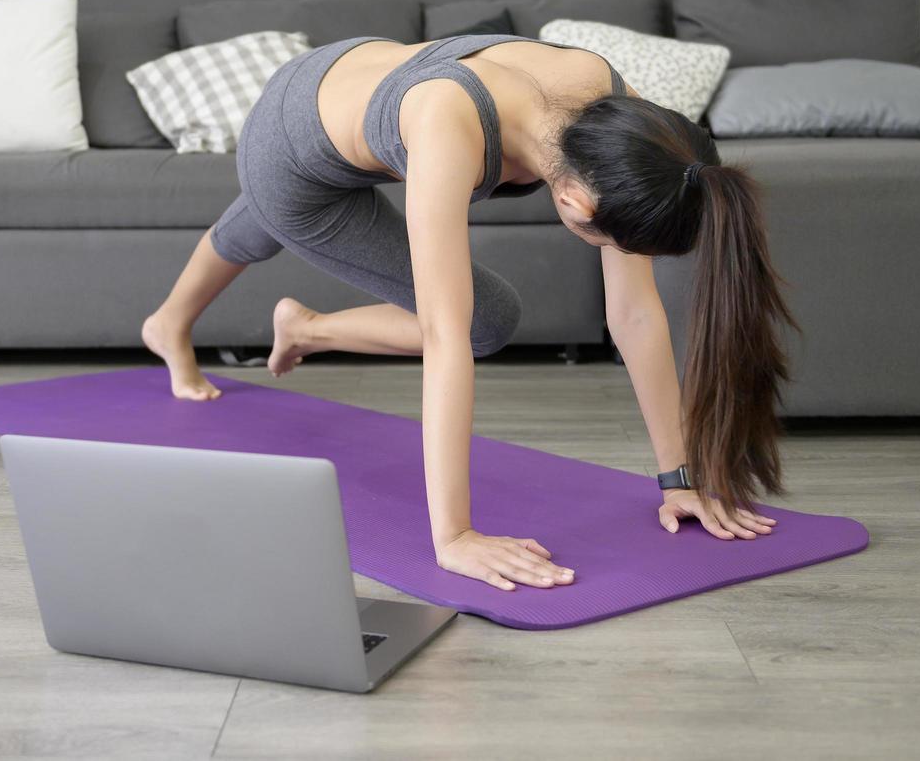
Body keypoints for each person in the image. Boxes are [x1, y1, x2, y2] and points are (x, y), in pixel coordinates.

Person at [141, 33, 799, 592]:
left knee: (259, 221)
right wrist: (454, 535)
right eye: (612, 241)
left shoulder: (617, 116)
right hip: (293, 146)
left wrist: (677, 478)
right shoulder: (445, 122)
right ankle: (287, 326)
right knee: (483, 321)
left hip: (336, 84)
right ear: (571, 202)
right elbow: (443, 334)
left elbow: (632, 313)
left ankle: (178, 323)